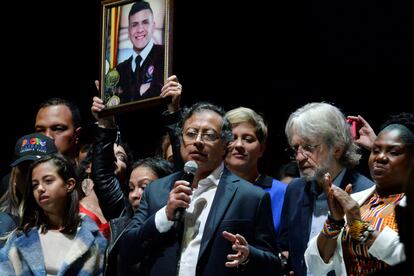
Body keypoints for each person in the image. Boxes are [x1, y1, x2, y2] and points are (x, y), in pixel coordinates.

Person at [118, 102, 282, 275]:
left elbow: (273, 264)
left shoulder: (251, 196)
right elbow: (127, 250)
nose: (197, 141)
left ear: (225, 145)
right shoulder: (156, 190)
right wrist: (164, 215)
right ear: (181, 140)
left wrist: (249, 256)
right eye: (191, 134)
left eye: (209, 135)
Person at [304, 112, 414, 275]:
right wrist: (334, 222)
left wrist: (359, 227)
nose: (380, 157)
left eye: (394, 152)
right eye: (375, 150)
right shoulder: (355, 201)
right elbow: (314, 266)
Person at [278, 102, 374, 276]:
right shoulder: (294, 190)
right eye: (296, 148)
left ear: (337, 148)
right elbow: (286, 249)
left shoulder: (367, 192)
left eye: (308, 147)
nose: (299, 157)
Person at [0, 154, 107, 275]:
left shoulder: (92, 238)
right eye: (35, 185)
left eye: (48, 181)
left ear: (69, 184)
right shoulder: (21, 237)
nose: (40, 188)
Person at [225, 107, 288, 233]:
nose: (238, 145)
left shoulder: (282, 192)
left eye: (247, 139)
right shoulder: (210, 187)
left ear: (262, 149)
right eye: (232, 138)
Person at [0, 133, 58, 245]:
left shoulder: (75, 220)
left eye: (41, 170)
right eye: (25, 170)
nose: (33, 178)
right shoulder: (3, 224)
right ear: (14, 176)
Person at [115, 1, 164, 103]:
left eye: (145, 22)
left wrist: (125, 92)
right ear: (129, 31)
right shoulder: (120, 69)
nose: (140, 29)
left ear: (153, 26)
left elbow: (159, 92)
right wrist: (141, 89)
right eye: (134, 24)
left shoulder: (164, 55)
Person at [34, 97, 82, 164]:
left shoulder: (92, 172)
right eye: (40, 130)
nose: (48, 137)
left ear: (77, 134)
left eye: (58, 129)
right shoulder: (25, 171)